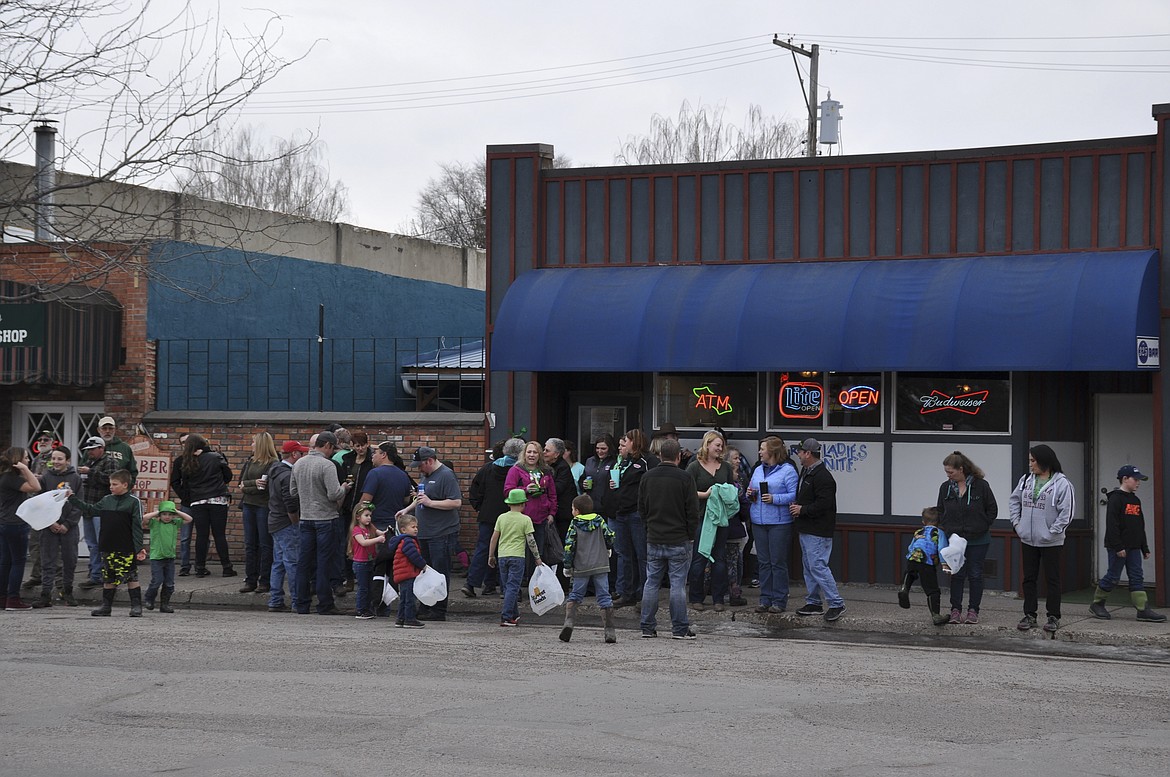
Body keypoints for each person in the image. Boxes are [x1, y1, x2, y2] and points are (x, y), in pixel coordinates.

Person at [1009, 443, 1075, 633]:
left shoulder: (1063, 483)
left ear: (1044, 461)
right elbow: (1014, 501)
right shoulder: (1025, 480)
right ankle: (1030, 614)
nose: (1030, 464)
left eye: (1033, 460)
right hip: (1028, 538)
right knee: (1029, 578)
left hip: (1051, 541)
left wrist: (1051, 532)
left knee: (1052, 579)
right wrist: (1017, 525)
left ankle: (1053, 616)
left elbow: (1067, 513)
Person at [638, 439, 699, 640]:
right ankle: (680, 629)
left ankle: (647, 627)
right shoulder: (684, 478)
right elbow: (692, 511)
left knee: (651, 582)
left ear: (659, 456)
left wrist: (649, 528)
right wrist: (691, 535)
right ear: (678, 456)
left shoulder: (647, 477)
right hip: (679, 538)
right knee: (678, 584)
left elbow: (642, 509)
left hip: (654, 536)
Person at [1089, 465, 1165, 622]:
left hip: (1134, 547)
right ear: (1124, 479)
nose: (1138, 483)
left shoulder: (1135, 500)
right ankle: (1097, 604)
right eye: (1135, 479)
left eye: (1139, 480)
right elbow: (1112, 525)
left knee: (1137, 576)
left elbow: (1139, 526)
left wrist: (1144, 547)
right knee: (1113, 576)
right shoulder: (1116, 499)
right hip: (1118, 547)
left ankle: (1143, 609)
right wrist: (1118, 546)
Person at [395, 446, 462, 621]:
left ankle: (439, 610)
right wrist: (407, 509)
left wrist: (431, 503)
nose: (419, 469)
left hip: (441, 532)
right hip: (424, 532)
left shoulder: (446, 475)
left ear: (429, 461)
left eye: (420, 465)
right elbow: (421, 497)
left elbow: (456, 502)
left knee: (439, 572)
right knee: (424, 571)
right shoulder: (426, 475)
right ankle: (426, 606)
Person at [67, 469, 146, 617]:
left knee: (131, 576)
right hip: (108, 544)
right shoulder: (107, 500)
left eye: (115, 484)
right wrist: (73, 498)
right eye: (110, 484)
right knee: (108, 576)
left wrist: (138, 548)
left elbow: (137, 527)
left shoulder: (134, 502)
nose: (111, 487)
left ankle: (136, 606)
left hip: (126, 546)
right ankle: (106, 606)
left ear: (125, 484)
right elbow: (90, 510)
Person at [291, 431, 351, 616]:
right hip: (326, 518)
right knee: (324, 561)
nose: (332, 452)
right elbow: (334, 494)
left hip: (306, 518)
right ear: (327, 446)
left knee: (304, 562)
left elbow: (293, 492)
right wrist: (344, 488)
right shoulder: (327, 465)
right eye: (332, 448)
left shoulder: (299, 463)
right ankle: (325, 604)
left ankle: (301, 603)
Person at [935, 451, 999, 625]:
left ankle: (973, 611)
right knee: (956, 574)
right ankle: (955, 610)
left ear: (961, 469)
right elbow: (940, 509)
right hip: (954, 540)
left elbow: (992, 509)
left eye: (951, 472)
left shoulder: (981, 486)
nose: (948, 475)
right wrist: (945, 528)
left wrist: (984, 524)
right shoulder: (945, 487)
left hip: (978, 539)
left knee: (975, 574)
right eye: (946, 472)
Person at [791, 438, 845, 622]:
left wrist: (802, 510)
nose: (798, 454)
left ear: (808, 453)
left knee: (817, 566)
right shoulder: (807, 472)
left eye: (800, 451)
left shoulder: (823, 476)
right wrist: (799, 506)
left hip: (818, 530)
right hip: (807, 528)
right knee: (809, 567)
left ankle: (836, 603)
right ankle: (814, 602)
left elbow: (824, 504)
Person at [170, 433, 235, 578]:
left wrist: (188, 496)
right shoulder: (215, 457)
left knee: (201, 535)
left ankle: (200, 568)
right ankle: (227, 567)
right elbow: (228, 476)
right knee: (219, 535)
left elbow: (183, 482)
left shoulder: (185, 461)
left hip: (197, 501)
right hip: (217, 499)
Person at [746, 436, 798, 614]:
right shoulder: (758, 469)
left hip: (779, 523)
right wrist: (749, 493)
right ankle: (765, 599)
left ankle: (779, 600)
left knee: (777, 562)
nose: (760, 452)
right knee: (763, 562)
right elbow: (751, 489)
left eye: (762, 449)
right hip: (759, 521)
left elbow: (794, 495)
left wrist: (775, 499)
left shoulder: (788, 471)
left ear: (773, 451)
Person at [464, 438, 522, 598]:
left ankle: (472, 583)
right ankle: (506, 589)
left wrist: (479, 508)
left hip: (487, 515)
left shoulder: (488, 468)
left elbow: (475, 490)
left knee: (483, 549)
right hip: (511, 515)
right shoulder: (520, 471)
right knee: (507, 551)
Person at [686, 430, 736, 611]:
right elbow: (685, 490)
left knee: (720, 558)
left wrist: (726, 495)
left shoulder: (726, 467)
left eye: (721, 446)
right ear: (707, 445)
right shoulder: (694, 466)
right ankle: (696, 597)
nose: (720, 449)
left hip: (720, 519)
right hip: (701, 518)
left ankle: (718, 599)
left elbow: (732, 490)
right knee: (700, 557)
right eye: (717, 445)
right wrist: (705, 494)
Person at [559, 494, 617, 643]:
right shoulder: (600, 521)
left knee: (576, 595)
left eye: (572, 509)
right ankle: (609, 630)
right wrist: (608, 547)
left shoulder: (574, 524)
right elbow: (610, 536)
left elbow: (569, 546)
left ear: (577, 510)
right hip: (601, 564)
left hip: (581, 566)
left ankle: (569, 623)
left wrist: (567, 565)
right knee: (604, 596)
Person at [487, 488, 545, 627]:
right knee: (513, 587)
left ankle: (514, 614)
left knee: (508, 587)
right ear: (523, 504)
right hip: (517, 556)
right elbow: (531, 541)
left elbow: (494, 538)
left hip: (502, 556)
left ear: (509, 504)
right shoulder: (526, 520)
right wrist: (537, 558)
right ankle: (506, 617)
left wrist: (490, 555)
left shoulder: (501, 518)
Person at [35, 446, 82, 608]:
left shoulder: (75, 478)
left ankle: (67, 592)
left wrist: (67, 524)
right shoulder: (45, 478)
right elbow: (40, 502)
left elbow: (79, 504)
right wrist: (51, 522)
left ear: (67, 460)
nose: (56, 461)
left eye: (60, 459)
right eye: (54, 458)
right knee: (48, 561)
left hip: (69, 527)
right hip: (49, 526)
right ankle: (45, 595)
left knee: (70, 560)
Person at [611, 429, 653, 608]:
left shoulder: (647, 461)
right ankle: (627, 593)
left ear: (635, 443)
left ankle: (644, 595)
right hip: (621, 512)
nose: (623, 445)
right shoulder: (624, 462)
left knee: (641, 555)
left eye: (626, 441)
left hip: (637, 513)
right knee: (624, 554)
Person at [504, 440, 557, 577]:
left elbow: (552, 494)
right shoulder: (516, 470)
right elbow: (507, 491)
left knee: (537, 552)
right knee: (521, 552)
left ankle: (535, 584)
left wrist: (552, 513)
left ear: (539, 455)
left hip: (540, 519)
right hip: (521, 518)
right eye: (529, 452)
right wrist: (525, 489)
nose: (532, 455)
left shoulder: (546, 472)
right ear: (524, 454)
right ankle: (519, 583)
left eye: (535, 452)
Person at [266, 440, 305, 613]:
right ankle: (297, 601)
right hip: (286, 522)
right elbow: (290, 501)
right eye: (301, 454)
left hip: (274, 520)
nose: (302, 456)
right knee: (292, 562)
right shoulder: (288, 475)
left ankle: (275, 600)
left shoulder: (274, 471)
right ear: (294, 455)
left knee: (279, 562)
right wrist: (295, 520)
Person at [1, 446, 41, 611]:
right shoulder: (12, 478)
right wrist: (25, 469)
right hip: (15, 524)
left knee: (5, 562)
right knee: (18, 562)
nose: (29, 460)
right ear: (17, 461)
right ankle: (13, 599)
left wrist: (26, 472)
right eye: (26, 458)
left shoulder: (5, 477)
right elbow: (36, 487)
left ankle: (3, 597)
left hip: (4, 523)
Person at [77, 435, 120, 589]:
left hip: (102, 509)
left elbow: (111, 481)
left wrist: (90, 472)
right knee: (92, 544)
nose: (90, 452)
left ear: (102, 448)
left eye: (93, 449)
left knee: (103, 543)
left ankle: (105, 574)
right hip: (88, 507)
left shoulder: (110, 462)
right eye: (88, 450)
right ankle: (95, 574)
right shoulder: (89, 462)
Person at [238, 432, 277, 594]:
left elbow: (265, 488)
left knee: (265, 544)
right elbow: (242, 483)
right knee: (250, 544)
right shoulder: (250, 461)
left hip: (263, 506)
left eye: (254, 442)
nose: (252, 445)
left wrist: (248, 487)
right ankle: (250, 579)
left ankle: (265, 580)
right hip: (248, 505)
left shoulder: (272, 463)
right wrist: (253, 483)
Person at [898, 507, 951, 626]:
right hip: (927, 562)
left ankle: (904, 588)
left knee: (910, 573)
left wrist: (912, 555)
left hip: (913, 558)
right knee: (932, 590)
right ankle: (936, 615)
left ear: (923, 521)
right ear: (938, 522)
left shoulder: (919, 532)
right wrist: (944, 564)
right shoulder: (939, 533)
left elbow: (911, 547)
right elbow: (942, 549)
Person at [141, 500, 193, 613]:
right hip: (157, 557)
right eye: (164, 514)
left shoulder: (175, 523)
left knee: (169, 583)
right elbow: (145, 518)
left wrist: (176, 511)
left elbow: (189, 519)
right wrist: (158, 512)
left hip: (169, 557)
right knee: (157, 580)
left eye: (170, 514)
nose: (167, 517)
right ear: (160, 515)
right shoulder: (155, 523)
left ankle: (165, 604)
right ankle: (149, 599)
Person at [22, 429, 57, 592]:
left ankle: (53, 576)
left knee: (50, 543)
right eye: (40, 439)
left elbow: (56, 478)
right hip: (35, 504)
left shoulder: (56, 458)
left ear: (52, 442)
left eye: (46, 439)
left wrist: (40, 478)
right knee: (35, 542)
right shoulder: (36, 459)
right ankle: (36, 576)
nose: (42, 442)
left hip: (48, 504)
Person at [385, 514, 428, 628]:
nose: (416, 529)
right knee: (410, 598)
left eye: (416, 527)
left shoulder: (402, 541)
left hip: (402, 574)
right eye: (413, 527)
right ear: (403, 529)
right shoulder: (408, 541)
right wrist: (423, 565)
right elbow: (413, 556)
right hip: (408, 573)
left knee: (404, 598)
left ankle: (401, 618)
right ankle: (410, 619)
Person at [348, 501, 387, 620]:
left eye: (370, 515)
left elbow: (379, 532)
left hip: (370, 561)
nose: (369, 518)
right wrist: (378, 540)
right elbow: (363, 542)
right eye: (366, 515)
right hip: (360, 563)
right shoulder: (356, 530)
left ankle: (368, 608)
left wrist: (386, 532)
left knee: (370, 587)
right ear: (358, 517)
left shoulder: (370, 527)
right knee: (363, 587)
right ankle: (361, 609)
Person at [723, 446, 751, 607]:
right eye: (735, 458)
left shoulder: (741, 478)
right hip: (729, 525)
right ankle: (730, 592)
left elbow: (745, 501)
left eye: (739, 458)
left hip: (738, 525)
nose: (738, 461)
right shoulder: (727, 479)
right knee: (729, 561)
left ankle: (734, 590)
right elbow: (741, 502)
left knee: (737, 559)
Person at [544, 437, 576, 552]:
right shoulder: (547, 466)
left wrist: (542, 486)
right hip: (552, 512)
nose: (544, 453)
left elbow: (558, 489)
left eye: (547, 450)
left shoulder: (563, 468)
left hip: (562, 514)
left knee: (561, 544)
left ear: (556, 454)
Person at [96, 416, 138, 483]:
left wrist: (127, 488)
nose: (107, 431)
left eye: (110, 428)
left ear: (115, 430)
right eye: (104, 428)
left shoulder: (125, 448)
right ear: (98, 430)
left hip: (119, 490)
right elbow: (83, 467)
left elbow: (133, 471)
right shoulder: (92, 447)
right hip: (97, 490)